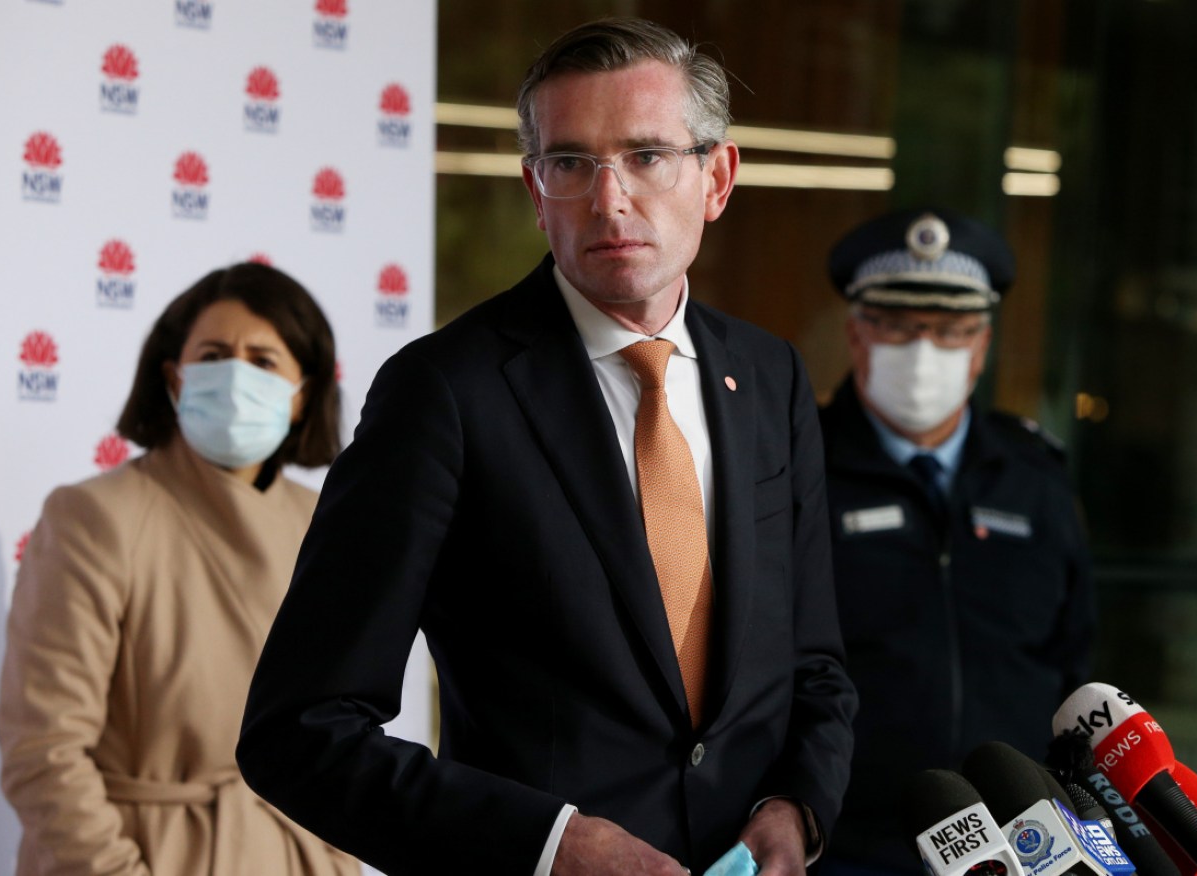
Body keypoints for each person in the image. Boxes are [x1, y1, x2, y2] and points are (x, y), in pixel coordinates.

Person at [235, 17, 857, 876]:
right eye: (570, 164)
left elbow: (814, 664)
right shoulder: (444, 393)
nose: (609, 198)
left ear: (716, 177)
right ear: (535, 192)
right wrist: (548, 845)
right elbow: (298, 731)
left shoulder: (771, 375)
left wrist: (798, 809)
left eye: (646, 156)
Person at [0, 263, 358, 876]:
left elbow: (344, 741)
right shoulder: (93, 517)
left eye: (264, 362)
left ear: (302, 395)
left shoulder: (324, 525)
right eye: (214, 355)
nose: (237, 375)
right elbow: (44, 751)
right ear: (173, 378)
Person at [814, 208, 1095, 876]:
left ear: (980, 347)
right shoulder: (798, 469)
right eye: (899, 329)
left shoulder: (1033, 477)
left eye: (947, 332)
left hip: (1024, 844)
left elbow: (1071, 658)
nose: (922, 353)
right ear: (857, 336)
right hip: (848, 844)